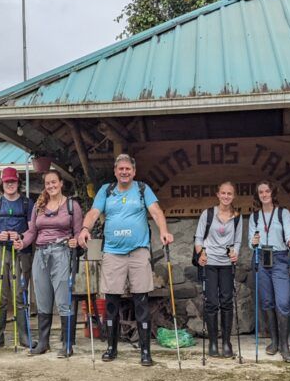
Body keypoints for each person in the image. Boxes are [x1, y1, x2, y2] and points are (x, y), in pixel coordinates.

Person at [78, 154, 174, 367]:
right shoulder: (106, 190)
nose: (124, 172)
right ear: (115, 171)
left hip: (138, 252)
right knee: (111, 301)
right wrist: (85, 229)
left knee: (141, 301)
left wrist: (164, 231)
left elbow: (156, 212)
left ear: (134, 171)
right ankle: (111, 348)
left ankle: (145, 351)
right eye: (120, 169)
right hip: (112, 253)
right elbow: (94, 212)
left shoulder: (142, 189)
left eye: (128, 169)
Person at [15, 171, 82, 357]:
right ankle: (43, 343)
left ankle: (67, 344)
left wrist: (75, 241)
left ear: (61, 183)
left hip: (61, 253)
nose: (51, 186)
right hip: (41, 253)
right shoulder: (39, 205)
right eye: (47, 183)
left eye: (54, 182)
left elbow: (78, 232)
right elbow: (31, 232)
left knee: (62, 299)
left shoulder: (71, 205)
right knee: (43, 298)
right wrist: (22, 242)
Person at [0, 166, 35, 350]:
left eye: (13, 181)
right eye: (7, 182)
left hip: (20, 251)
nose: (10, 184)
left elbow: (32, 229)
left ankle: (24, 337)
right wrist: (0, 235)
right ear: (2, 183)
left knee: (21, 293)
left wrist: (20, 237)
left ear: (18, 182)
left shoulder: (27, 204)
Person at [248, 181, 290, 363]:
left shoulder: (282, 213)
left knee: (283, 301)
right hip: (262, 259)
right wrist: (253, 242)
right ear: (257, 195)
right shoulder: (254, 217)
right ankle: (274, 341)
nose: (264, 194)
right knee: (267, 301)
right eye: (260, 192)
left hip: (280, 258)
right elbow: (250, 243)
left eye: (267, 191)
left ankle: (285, 345)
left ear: (272, 193)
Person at [194, 181, 242, 358]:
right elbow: (198, 238)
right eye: (223, 193)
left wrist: (235, 253)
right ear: (218, 194)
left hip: (227, 263)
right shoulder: (207, 214)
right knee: (212, 302)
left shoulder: (237, 216)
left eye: (230, 194)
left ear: (234, 196)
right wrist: (202, 254)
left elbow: (237, 240)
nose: (226, 196)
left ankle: (226, 342)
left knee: (227, 302)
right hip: (210, 262)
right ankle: (213, 342)